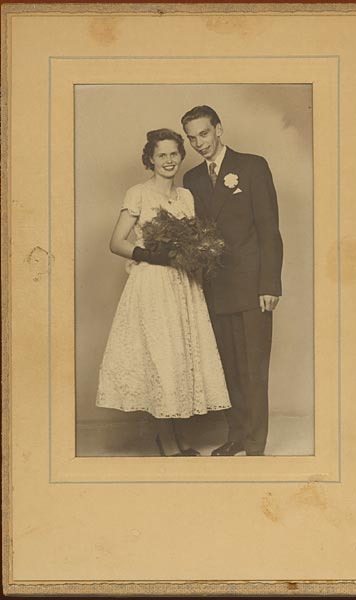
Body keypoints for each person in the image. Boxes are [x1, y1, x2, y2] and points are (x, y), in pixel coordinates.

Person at [96, 128, 231, 456]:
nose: (169, 161)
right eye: (162, 155)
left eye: (174, 154)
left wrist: (197, 253)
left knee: (179, 357)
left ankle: (180, 439)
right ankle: (167, 442)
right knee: (160, 358)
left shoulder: (186, 197)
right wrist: (150, 255)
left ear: (181, 156)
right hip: (153, 285)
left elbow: (194, 239)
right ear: (150, 159)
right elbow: (116, 242)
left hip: (183, 285)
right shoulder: (138, 193)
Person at [182, 106, 283, 456]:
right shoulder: (192, 179)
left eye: (204, 134)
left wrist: (269, 285)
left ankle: (255, 443)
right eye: (192, 138)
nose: (199, 143)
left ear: (219, 130)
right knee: (227, 369)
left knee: (253, 369)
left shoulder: (253, 166)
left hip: (253, 287)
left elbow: (270, 230)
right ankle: (236, 436)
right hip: (214, 288)